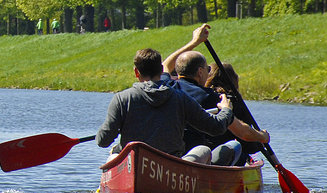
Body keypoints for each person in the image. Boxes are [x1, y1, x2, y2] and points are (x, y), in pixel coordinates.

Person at [96, 47, 233, 163]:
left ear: (136, 72)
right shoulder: (181, 98)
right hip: (171, 164)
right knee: (204, 150)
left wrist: (107, 130)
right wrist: (226, 110)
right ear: (161, 70)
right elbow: (216, 128)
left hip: (135, 162)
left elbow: (103, 141)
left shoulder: (121, 99)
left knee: (114, 152)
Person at [162, 24, 269, 165]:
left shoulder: (167, 86)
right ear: (200, 72)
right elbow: (243, 133)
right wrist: (262, 136)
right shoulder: (211, 97)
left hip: (172, 155)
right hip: (198, 158)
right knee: (235, 146)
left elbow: (166, 65)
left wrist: (194, 42)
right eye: (207, 69)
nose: (208, 73)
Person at [205, 61, 271, 164]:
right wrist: (261, 139)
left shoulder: (202, 96)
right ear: (233, 79)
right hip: (224, 157)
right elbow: (247, 143)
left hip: (203, 152)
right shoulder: (233, 101)